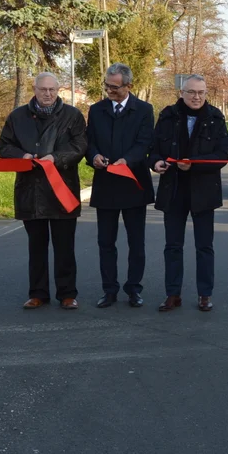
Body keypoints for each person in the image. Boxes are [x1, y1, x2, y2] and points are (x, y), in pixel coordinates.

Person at [0, 72, 88, 310]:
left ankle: (67, 294)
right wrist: (22, 156)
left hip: (62, 190)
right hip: (30, 190)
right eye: (43, 89)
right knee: (36, 246)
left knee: (64, 247)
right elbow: (3, 146)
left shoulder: (73, 116)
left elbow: (79, 146)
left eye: (52, 90)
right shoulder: (17, 116)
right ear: (34, 89)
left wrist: (55, 158)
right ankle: (37, 293)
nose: (48, 94)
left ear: (58, 91)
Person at [149, 74, 228, 312]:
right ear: (181, 93)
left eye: (201, 93)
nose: (197, 97)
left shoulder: (215, 117)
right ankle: (172, 294)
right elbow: (153, 150)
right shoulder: (167, 116)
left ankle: (205, 294)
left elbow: (221, 156)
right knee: (172, 246)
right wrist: (156, 163)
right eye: (192, 92)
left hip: (204, 191)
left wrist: (194, 164)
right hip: (173, 190)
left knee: (204, 246)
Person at [86, 62, 155, 309]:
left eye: (115, 87)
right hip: (105, 184)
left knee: (136, 242)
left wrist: (129, 160)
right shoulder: (96, 110)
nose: (110, 91)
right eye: (107, 85)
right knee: (106, 241)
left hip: (133, 183)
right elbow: (89, 141)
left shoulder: (144, 110)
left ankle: (134, 289)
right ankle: (109, 290)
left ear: (129, 86)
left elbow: (145, 142)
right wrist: (93, 156)